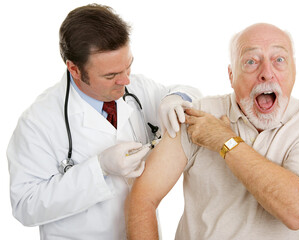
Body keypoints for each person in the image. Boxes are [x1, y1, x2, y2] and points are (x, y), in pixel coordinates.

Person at [125, 23, 299, 239]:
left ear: (294, 70)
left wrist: (226, 141)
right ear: (231, 75)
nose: (266, 73)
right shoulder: (199, 113)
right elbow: (143, 197)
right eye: (251, 62)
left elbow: (298, 212)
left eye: (279, 60)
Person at [6, 4, 201, 240]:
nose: (125, 80)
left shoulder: (136, 89)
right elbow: (25, 206)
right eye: (111, 76)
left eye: (128, 66)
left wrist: (175, 98)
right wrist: (99, 168)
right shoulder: (38, 122)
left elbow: (189, 91)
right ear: (74, 69)